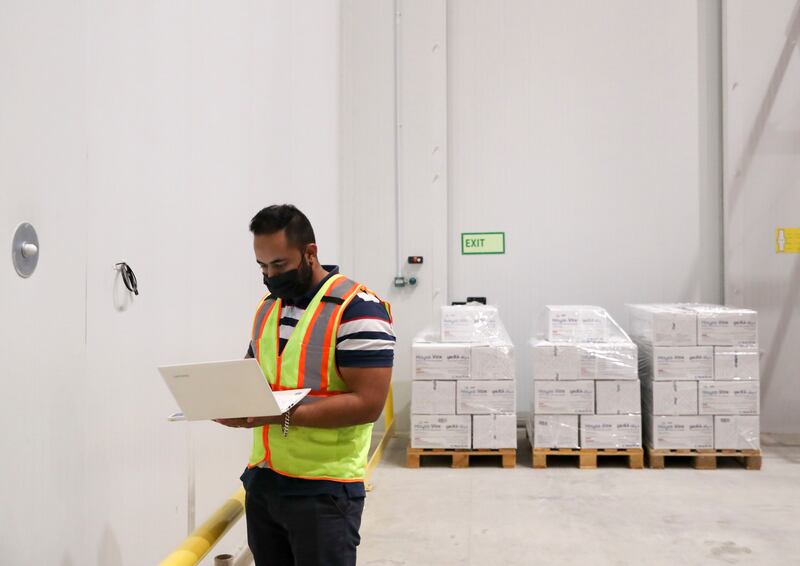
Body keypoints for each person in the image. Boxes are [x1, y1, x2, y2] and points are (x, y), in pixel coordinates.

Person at [216, 204, 394, 566]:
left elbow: (368, 404)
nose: (270, 275)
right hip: (264, 481)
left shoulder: (358, 309)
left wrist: (273, 413)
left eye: (279, 265)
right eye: (262, 267)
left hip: (324, 490)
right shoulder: (268, 308)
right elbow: (252, 376)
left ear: (310, 252)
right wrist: (231, 403)